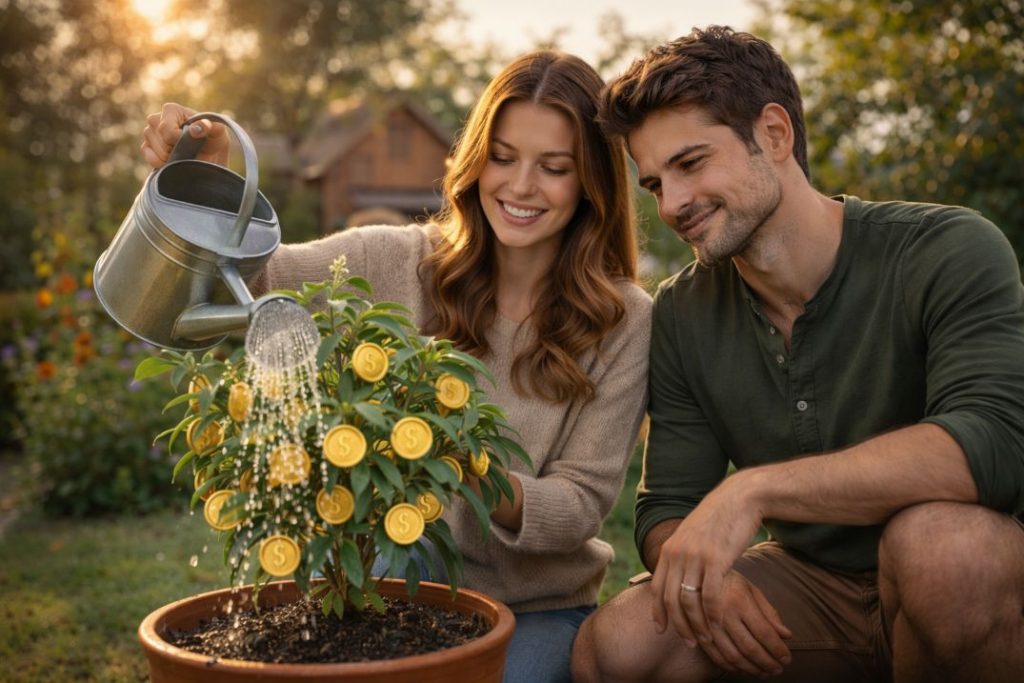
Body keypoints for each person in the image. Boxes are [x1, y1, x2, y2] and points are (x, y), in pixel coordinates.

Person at [142, 50, 651, 683]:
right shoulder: (394, 262)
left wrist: (457, 459)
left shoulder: (622, 319)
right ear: (476, 160)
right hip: (389, 579)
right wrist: (210, 185)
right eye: (502, 157)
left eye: (554, 167)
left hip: (537, 607)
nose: (521, 186)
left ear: (592, 182)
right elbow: (257, 285)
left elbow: (578, 506)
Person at [571, 25, 1024, 683]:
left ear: (775, 134)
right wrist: (708, 583)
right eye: (655, 184)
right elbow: (668, 506)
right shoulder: (683, 310)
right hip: (812, 588)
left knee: (941, 553)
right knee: (621, 646)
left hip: (976, 574)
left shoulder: (945, 248)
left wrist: (753, 490)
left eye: (691, 163)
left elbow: (993, 445)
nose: (672, 204)